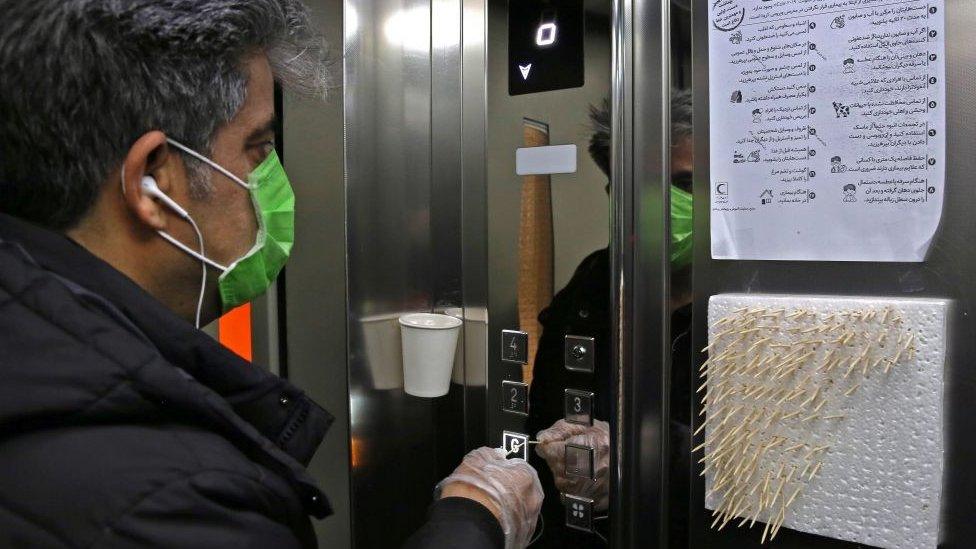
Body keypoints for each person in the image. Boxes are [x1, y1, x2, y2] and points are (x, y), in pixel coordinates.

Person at [0, 1, 541, 548]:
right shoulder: (177, 496)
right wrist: (475, 518)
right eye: (257, 147)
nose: (274, 180)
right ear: (152, 186)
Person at [526, 89, 695, 547]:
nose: (662, 206)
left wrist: (642, 455)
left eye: (684, 185)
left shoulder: (759, 307)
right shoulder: (592, 285)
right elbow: (543, 417)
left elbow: (781, 464)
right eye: (639, 187)